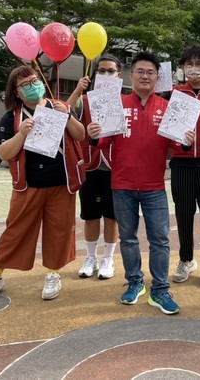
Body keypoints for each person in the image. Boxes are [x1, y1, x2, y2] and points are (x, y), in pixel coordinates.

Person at [87, 51, 193, 315]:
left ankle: (160, 290)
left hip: (154, 187)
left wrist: (185, 140)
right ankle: (135, 282)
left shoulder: (168, 107)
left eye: (150, 72)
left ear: (158, 78)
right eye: (140, 71)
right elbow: (103, 141)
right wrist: (93, 135)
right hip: (122, 185)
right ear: (131, 76)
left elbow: (176, 143)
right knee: (128, 238)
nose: (145, 76)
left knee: (160, 240)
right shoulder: (116, 104)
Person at [0, 65, 86, 303]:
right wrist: (21, 134)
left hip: (61, 183)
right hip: (28, 186)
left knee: (59, 230)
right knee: (15, 230)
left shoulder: (59, 107)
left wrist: (67, 116)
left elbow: (80, 135)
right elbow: (4, 153)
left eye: (34, 80)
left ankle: (53, 273)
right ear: (16, 92)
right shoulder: (12, 117)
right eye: (24, 84)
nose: (32, 86)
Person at [168, 44, 200, 287]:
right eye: (189, 64)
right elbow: (165, 129)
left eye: (199, 64)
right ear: (181, 67)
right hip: (181, 164)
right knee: (184, 215)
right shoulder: (174, 94)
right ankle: (186, 259)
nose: (194, 68)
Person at [67, 54, 121, 280]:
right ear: (95, 74)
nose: (106, 75)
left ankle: (108, 258)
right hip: (89, 165)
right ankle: (90, 257)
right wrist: (78, 90)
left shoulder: (124, 102)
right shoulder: (84, 100)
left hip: (115, 167)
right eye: (102, 71)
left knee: (112, 216)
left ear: (118, 75)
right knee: (90, 215)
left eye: (111, 71)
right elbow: (63, 112)